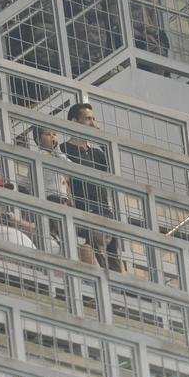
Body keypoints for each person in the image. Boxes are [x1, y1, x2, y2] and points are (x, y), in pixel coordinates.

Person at [60, 102, 123, 272]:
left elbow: (116, 167)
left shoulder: (98, 154)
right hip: (83, 212)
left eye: (94, 118)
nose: (93, 122)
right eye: (88, 119)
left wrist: (102, 138)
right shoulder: (64, 149)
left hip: (105, 211)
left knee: (113, 258)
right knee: (94, 256)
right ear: (74, 122)